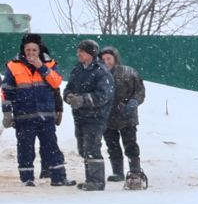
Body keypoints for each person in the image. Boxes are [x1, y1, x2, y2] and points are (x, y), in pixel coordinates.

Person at [3, 33, 69, 186]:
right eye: (28, 50)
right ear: (23, 50)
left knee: (51, 147)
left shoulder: (50, 64)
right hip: (23, 116)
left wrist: (42, 67)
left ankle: (58, 177)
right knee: (25, 148)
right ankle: (27, 179)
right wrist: (7, 112)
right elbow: (6, 91)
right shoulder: (13, 66)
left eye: (34, 50)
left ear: (39, 50)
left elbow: (56, 83)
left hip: (46, 114)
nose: (31, 53)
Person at [62, 39, 116, 192]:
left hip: (96, 117)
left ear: (91, 54)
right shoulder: (77, 70)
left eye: (82, 51)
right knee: (83, 149)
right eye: (78, 51)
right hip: (79, 116)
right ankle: (89, 179)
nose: (78, 54)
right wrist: (69, 97)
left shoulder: (101, 71)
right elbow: (68, 88)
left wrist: (83, 100)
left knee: (92, 148)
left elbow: (103, 96)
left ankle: (96, 181)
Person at [98, 46, 147, 186]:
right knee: (112, 145)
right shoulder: (98, 74)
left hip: (127, 116)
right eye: (103, 59)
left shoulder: (129, 72)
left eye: (109, 58)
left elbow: (140, 90)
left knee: (130, 144)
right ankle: (117, 172)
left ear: (115, 59)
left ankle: (135, 170)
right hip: (107, 118)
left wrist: (134, 102)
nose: (106, 61)